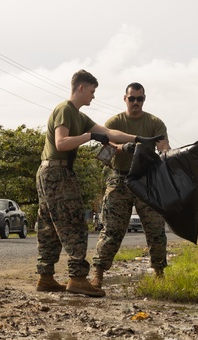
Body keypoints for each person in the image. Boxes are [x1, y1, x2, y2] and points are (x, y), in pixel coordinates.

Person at [35, 69, 142, 298]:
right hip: (57, 172)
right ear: (81, 88)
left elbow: (109, 132)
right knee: (74, 224)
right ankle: (77, 278)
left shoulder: (80, 116)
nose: (93, 96)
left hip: (50, 171)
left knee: (49, 227)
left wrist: (138, 139)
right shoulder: (65, 110)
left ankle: (45, 277)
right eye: (92, 91)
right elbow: (61, 143)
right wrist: (89, 137)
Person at [90, 83, 172, 289]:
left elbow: (163, 147)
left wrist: (167, 154)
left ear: (144, 99)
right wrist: (122, 148)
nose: (136, 102)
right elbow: (106, 147)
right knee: (111, 229)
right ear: (124, 99)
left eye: (140, 99)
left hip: (146, 180)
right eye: (132, 98)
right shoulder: (115, 121)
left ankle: (160, 274)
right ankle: (98, 273)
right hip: (120, 179)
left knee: (155, 229)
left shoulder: (154, 123)